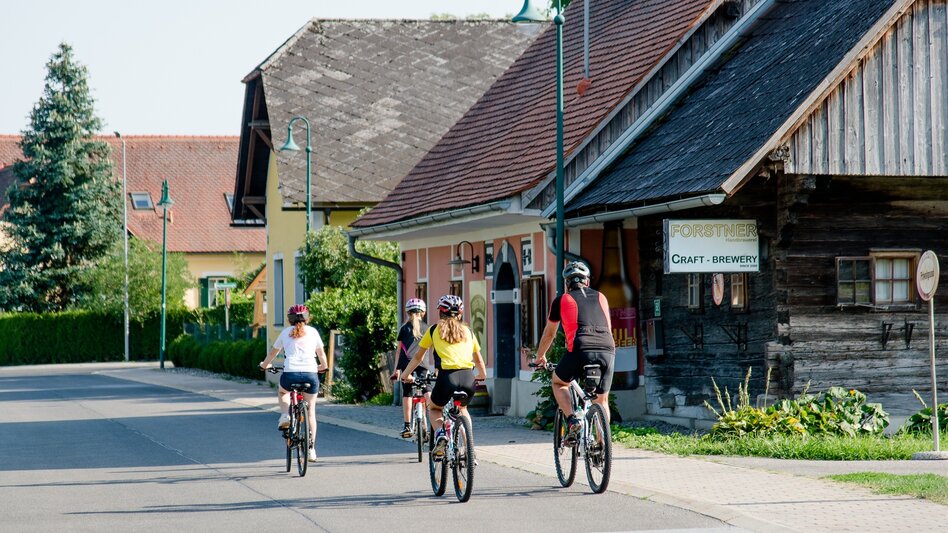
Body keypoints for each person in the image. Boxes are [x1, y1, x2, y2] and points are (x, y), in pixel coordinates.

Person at [533, 261, 615, 441]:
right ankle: (603, 447)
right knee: (601, 401)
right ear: (587, 281)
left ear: (567, 283)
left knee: (559, 382)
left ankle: (572, 419)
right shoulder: (602, 297)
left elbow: (550, 333)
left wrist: (540, 357)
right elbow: (608, 325)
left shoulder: (562, 300)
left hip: (580, 348)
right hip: (607, 349)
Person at [402, 294, 486, 458]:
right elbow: (478, 359)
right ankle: (470, 448)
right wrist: (481, 375)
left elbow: (418, 357)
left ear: (440, 313)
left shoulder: (433, 330)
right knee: (463, 409)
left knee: (434, 408)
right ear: (460, 314)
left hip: (447, 377)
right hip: (468, 378)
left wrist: (405, 374)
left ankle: (440, 434)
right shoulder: (469, 332)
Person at [259, 304, 329, 462]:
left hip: (290, 374)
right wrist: (323, 367)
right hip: (311, 375)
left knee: (283, 392)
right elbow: (322, 355)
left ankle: (285, 415)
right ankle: (311, 449)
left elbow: (272, 353)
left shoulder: (285, 333)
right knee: (311, 412)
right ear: (307, 318)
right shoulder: (313, 332)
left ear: (289, 319)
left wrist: (264, 365)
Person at [390, 297, 429, 438]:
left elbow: (399, 351)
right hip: (423, 364)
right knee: (426, 391)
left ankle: (407, 426)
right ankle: (433, 420)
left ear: (408, 313)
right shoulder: (427, 328)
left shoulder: (404, 328)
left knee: (407, 393)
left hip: (407, 365)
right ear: (423, 312)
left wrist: (396, 370)